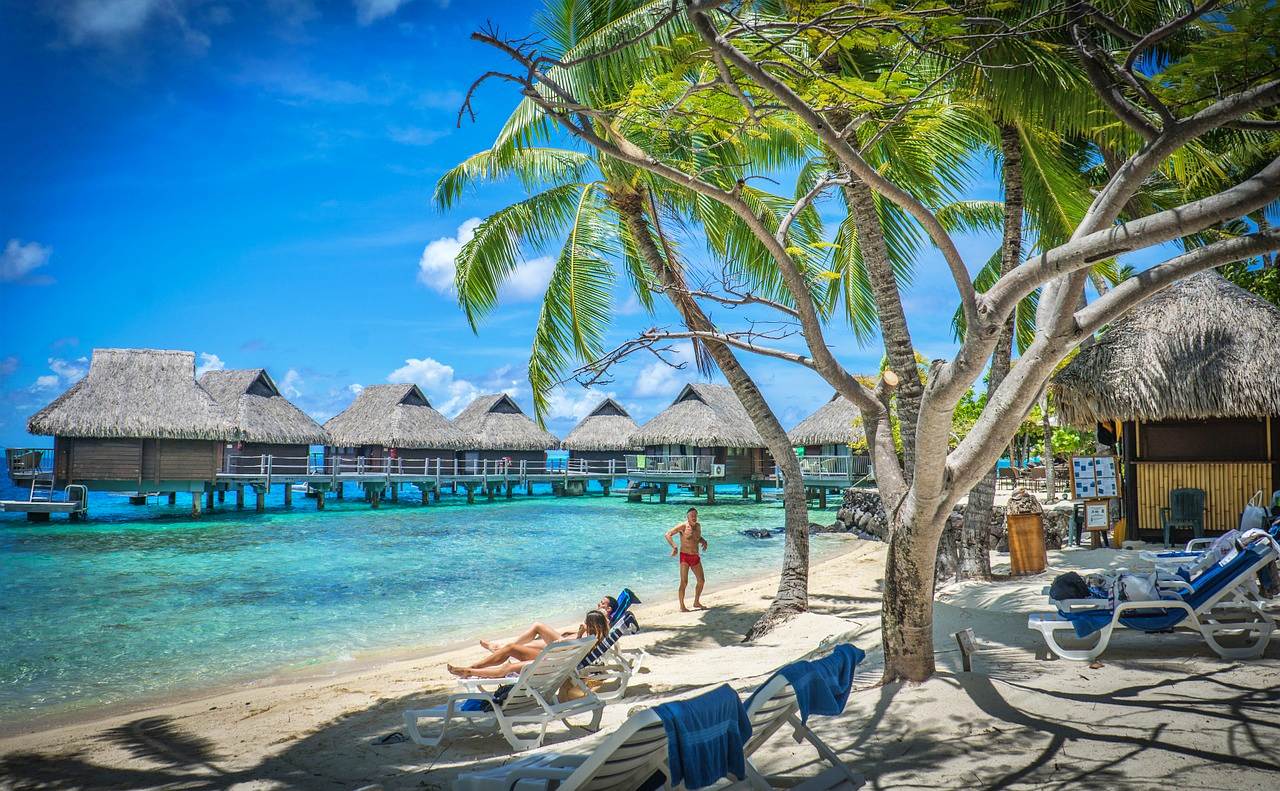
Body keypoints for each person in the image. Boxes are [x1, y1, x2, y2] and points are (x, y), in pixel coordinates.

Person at [448, 610, 608, 679]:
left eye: (586, 622)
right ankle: (474, 667)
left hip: (552, 664)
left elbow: (559, 644)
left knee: (508, 665)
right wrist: (577, 635)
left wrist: (577, 635)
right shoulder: (594, 638)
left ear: (592, 624)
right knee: (510, 651)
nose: (584, 623)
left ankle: (471, 670)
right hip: (558, 661)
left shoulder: (585, 638)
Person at [478, 595, 617, 653]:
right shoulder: (600, 622)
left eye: (602, 603)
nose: (599, 604)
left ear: (608, 609)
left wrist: (578, 633)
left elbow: (585, 639)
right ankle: (498, 647)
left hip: (565, 646)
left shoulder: (602, 622)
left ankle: (498, 648)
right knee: (521, 645)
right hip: (567, 641)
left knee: (538, 626)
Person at [666, 507, 708, 611]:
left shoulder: (698, 526)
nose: (694, 517)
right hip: (685, 557)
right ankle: (682, 606)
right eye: (691, 515)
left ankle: (696, 602)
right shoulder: (683, 526)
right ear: (688, 517)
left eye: (695, 515)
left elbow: (697, 538)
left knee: (701, 581)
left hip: (695, 557)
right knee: (684, 582)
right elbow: (668, 534)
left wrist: (703, 541)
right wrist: (674, 546)